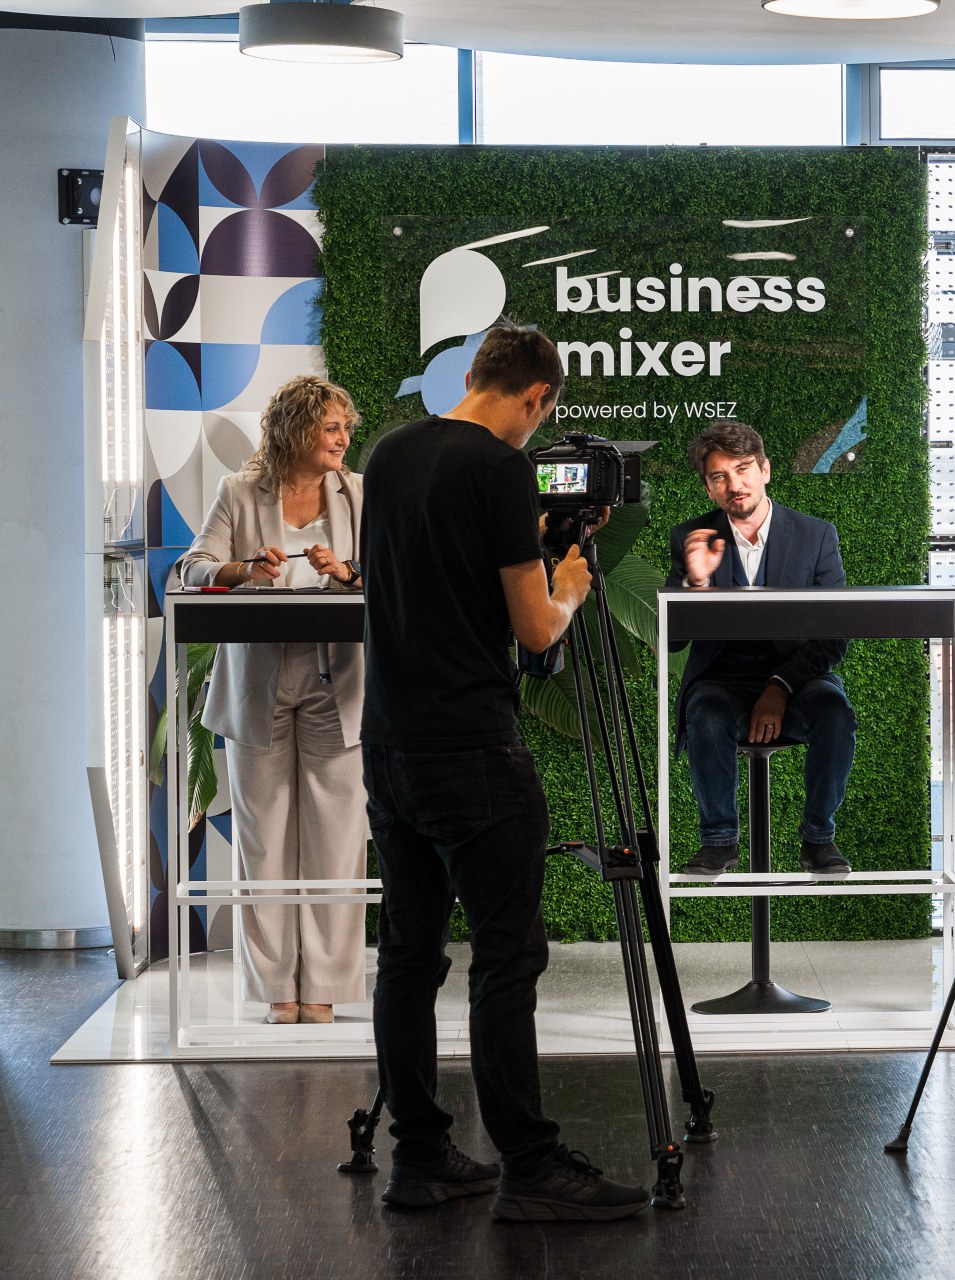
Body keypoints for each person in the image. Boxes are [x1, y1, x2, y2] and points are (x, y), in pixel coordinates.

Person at [360, 322, 648, 1220]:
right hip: (473, 750)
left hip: (390, 745)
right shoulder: (498, 467)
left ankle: (422, 1157)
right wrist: (568, 581)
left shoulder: (390, 453)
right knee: (506, 957)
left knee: (408, 953)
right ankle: (530, 1166)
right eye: (541, 419)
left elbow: (439, 574)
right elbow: (534, 629)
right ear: (536, 398)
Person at [177, 375, 367, 1027]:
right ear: (296, 430)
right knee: (265, 839)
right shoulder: (238, 492)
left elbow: (386, 573)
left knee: (337, 838)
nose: (345, 439)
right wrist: (242, 570)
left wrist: (346, 573)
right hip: (255, 677)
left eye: (347, 428)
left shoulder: (359, 493)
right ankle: (277, 990)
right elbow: (191, 568)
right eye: (332, 428)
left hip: (336, 681)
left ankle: (326, 988)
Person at [669, 420, 857, 876]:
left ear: (766, 470)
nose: (735, 484)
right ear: (709, 489)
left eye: (744, 468)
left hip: (800, 679)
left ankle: (818, 838)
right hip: (721, 680)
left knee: (834, 714)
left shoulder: (816, 535)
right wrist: (696, 584)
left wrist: (780, 685)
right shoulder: (691, 538)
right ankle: (718, 842)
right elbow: (673, 638)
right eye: (719, 477)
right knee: (706, 714)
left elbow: (835, 634)